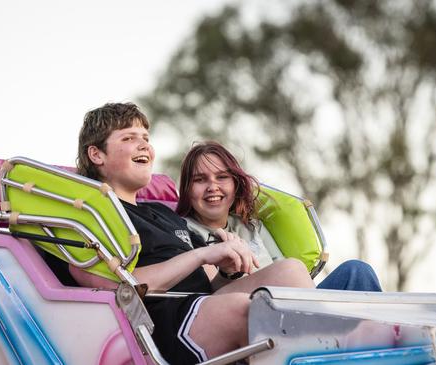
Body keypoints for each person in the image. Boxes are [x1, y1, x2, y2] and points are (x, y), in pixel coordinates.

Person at [70, 102, 315, 365]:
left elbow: (210, 287)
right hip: (163, 322)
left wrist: (225, 271)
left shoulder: (163, 213)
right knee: (245, 308)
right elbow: (118, 286)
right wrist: (201, 255)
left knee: (291, 270)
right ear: (97, 155)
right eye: (129, 138)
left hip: (205, 304)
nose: (144, 146)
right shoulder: (92, 216)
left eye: (146, 138)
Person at [176, 141, 382, 292]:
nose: (213, 187)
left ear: (235, 184)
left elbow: (289, 275)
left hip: (291, 303)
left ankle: (385, 344)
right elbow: (208, 293)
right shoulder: (181, 231)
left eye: (222, 177)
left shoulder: (252, 226)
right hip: (246, 314)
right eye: (200, 180)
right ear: (187, 189)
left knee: (357, 271)